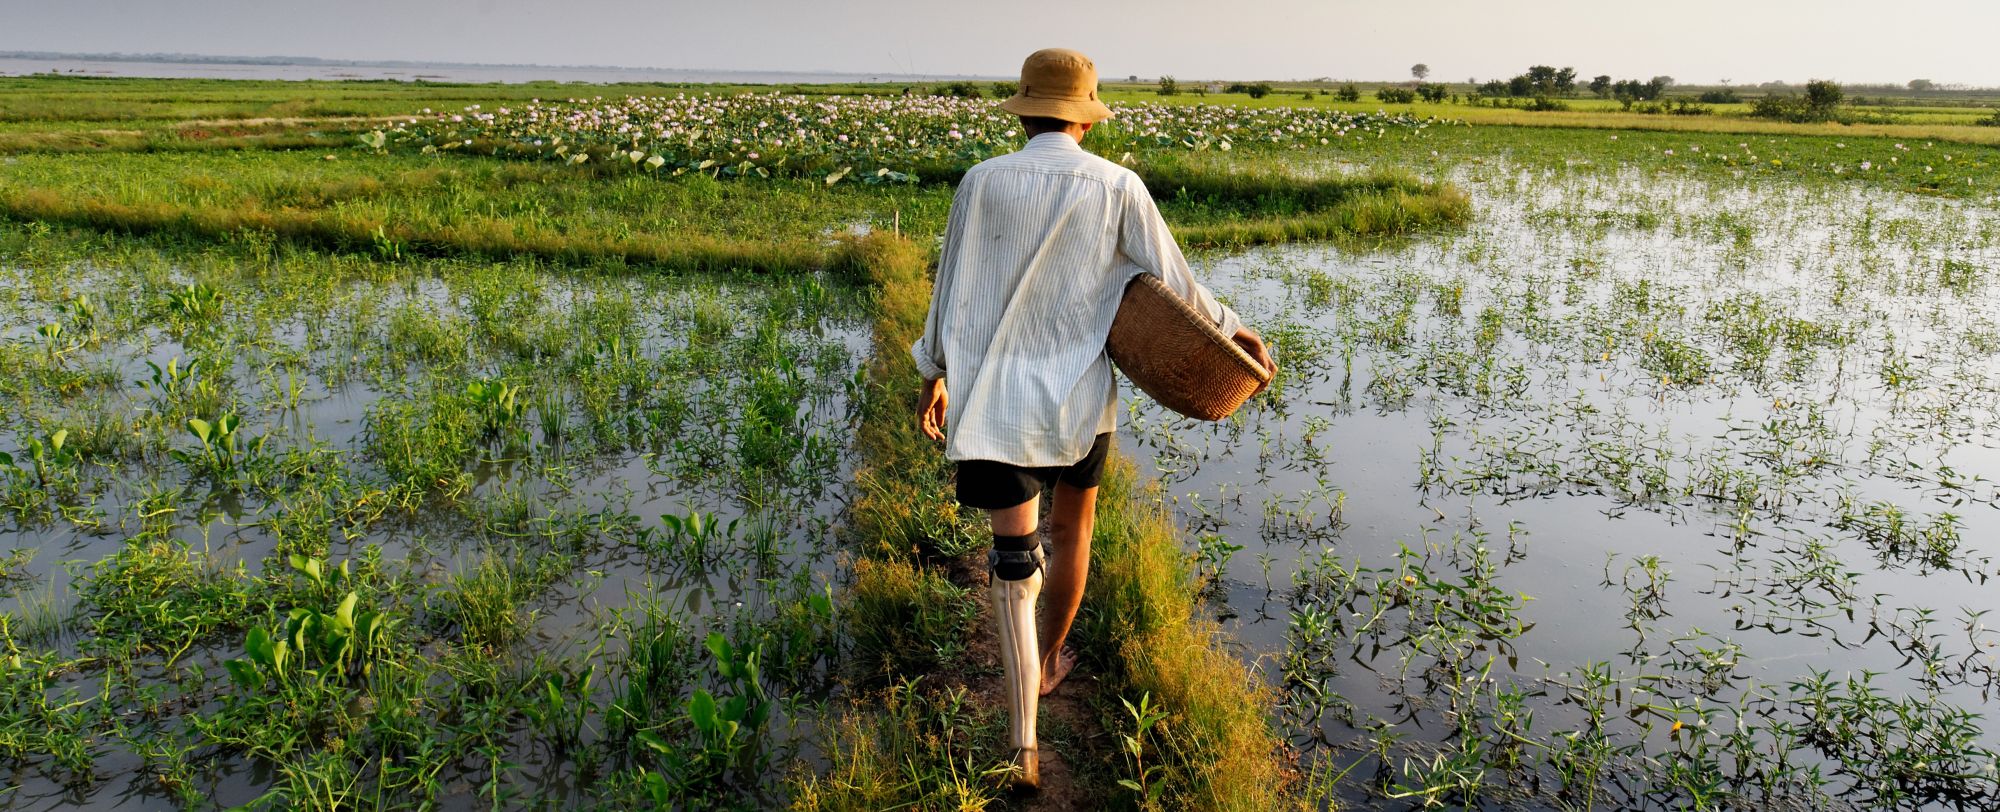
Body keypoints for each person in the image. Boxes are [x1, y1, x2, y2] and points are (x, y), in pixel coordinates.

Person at [910, 47, 1274, 791]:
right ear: (1084, 114)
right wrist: (1234, 329)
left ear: (1026, 108)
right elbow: (1177, 287)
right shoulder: (1117, 185)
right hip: (1079, 398)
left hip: (993, 399)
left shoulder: (981, 182)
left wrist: (932, 374)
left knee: (1013, 568)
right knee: (1072, 532)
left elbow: (950, 286)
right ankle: (1046, 665)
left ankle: (1021, 744)